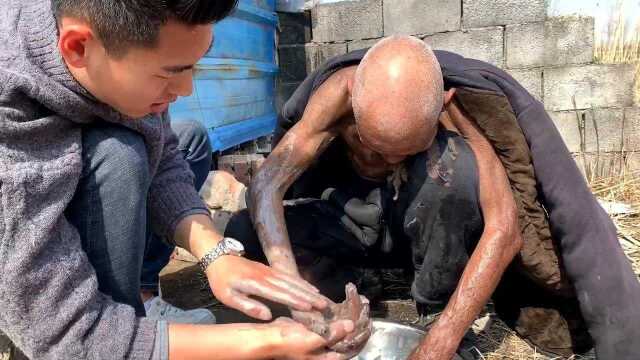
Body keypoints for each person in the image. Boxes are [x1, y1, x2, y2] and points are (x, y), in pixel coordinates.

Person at [224, 35, 640, 359]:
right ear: (354, 98)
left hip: (422, 234)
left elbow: (506, 229)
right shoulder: (333, 97)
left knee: (455, 173)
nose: (386, 161)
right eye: (372, 147)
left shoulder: (459, 107)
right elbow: (266, 184)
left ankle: (433, 304)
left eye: (403, 151)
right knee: (244, 230)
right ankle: (338, 290)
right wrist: (298, 294)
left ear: (444, 102)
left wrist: (443, 338)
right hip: (352, 223)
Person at [0, 0, 357, 359]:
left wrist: (216, 255)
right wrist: (264, 340)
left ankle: (140, 297)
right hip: (21, 269)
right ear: (79, 47)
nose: (186, 89)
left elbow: (164, 152)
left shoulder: (109, 45)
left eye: (193, 66)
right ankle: (119, 320)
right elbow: (68, 337)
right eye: (169, 73)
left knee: (187, 140)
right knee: (119, 156)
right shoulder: (10, 111)